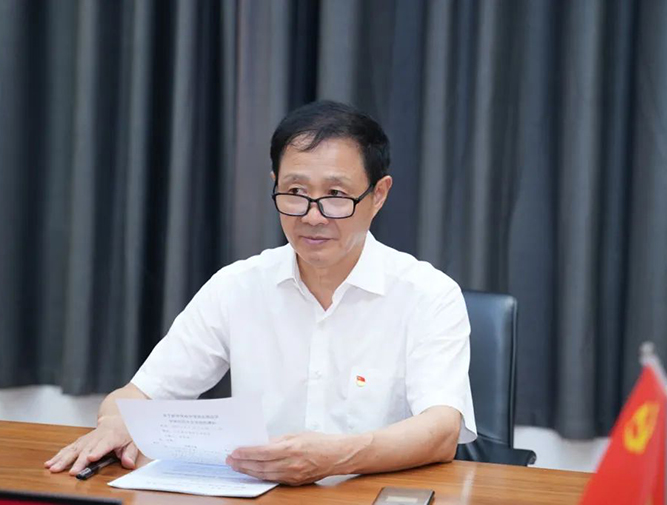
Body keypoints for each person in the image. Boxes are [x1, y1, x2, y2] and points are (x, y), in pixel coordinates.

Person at [45, 100, 477, 486]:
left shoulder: (428, 294)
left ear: (378, 195)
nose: (312, 216)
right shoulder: (237, 286)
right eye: (296, 192)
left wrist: (335, 457)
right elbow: (139, 394)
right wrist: (113, 422)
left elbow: (441, 430)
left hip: (372, 495)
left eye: (335, 195)